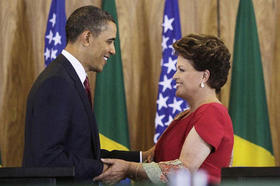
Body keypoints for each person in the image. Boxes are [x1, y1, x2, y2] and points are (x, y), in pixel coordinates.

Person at [94, 34, 234, 185]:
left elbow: (183, 170)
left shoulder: (212, 113)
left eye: (182, 69)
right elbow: (150, 158)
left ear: (204, 76)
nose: (175, 76)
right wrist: (102, 160)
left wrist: (129, 168)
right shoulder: (187, 115)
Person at [22, 5, 142, 181]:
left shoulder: (69, 78)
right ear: (87, 37)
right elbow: (47, 158)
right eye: (109, 41)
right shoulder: (57, 83)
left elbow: (82, 151)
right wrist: (104, 168)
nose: (113, 50)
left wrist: (139, 158)